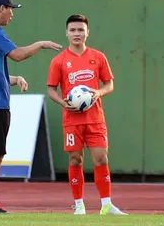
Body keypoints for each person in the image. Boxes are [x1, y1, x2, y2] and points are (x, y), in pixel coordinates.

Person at [0, 0, 62, 214]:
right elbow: (17, 55)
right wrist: (41, 44)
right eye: (11, 9)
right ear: (1, 9)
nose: (12, 14)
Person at [47, 14, 127, 216]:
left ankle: (107, 205)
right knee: (76, 160)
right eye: (73, 30)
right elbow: (51, 89)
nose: (77, 34)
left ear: (87, 33)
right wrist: (63, 102)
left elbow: (109, 84)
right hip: (72, 120)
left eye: (80, 30)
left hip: (95, 119)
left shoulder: (98, 57)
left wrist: (99, 92)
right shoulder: (59, 61)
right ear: (66, 33)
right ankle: (79, 205)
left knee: (101, 159)